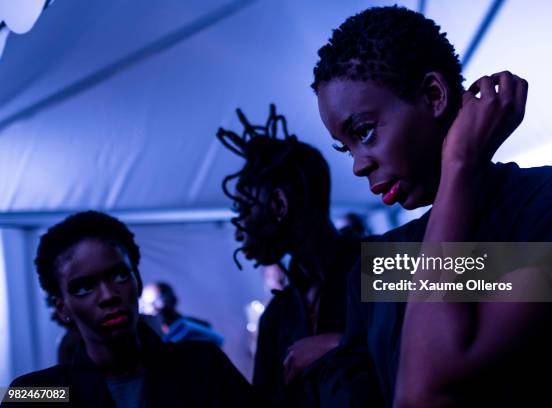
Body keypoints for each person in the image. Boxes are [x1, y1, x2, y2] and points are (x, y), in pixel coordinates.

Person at [313, 5, 552, 407]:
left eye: (364, 132)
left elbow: (427, 389)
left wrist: (459, 166)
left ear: (434, 95)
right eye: (344, 146)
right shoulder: (379, 263)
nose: (357, 164)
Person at [3, 211, 255, 407]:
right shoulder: (32, 393)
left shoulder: (202, 366)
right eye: (83, 288)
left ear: (138, 281)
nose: (108, 296)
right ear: (61, 307)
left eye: (119, 276)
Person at [217, 105, 361, 406]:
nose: (239, 229)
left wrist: (341, 344)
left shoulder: (376, 264)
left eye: (244, 210)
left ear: (279, 204)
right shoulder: (276, 317)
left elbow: (483, 274)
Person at [140, 281, 224, 347]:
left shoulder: (192, 326)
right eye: (147, 305)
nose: (154, 309)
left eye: (158, 301)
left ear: (172, 299)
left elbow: (217, 341)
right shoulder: (149, 336)